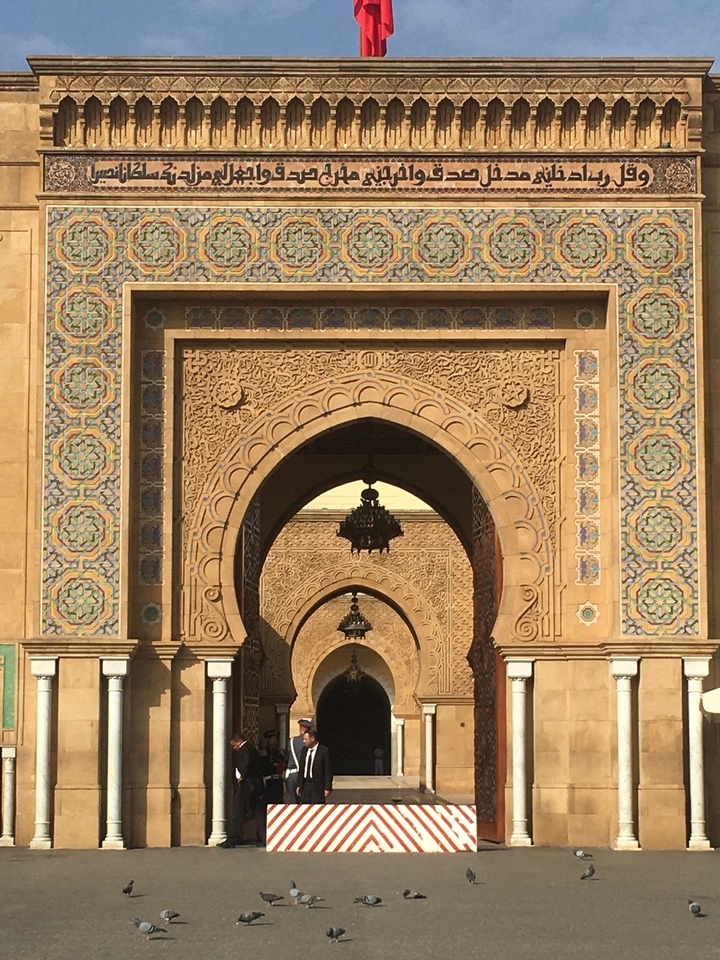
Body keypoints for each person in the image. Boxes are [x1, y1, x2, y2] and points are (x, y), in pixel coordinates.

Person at [218, 732, 266, 848]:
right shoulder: (252, 749)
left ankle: (233, 838)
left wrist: (241, 777)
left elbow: (245, 764)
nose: (234, 749)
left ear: (238, 742)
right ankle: (265, 837)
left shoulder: (244, 750)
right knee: (258, 812)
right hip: (256, 786)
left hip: (247, 786)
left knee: (238, 811)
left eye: (234, 745)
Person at [296, 727, 333, 804]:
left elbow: (327, 770)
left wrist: (327, 787)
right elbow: (301, 769)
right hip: (305, 785)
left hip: (317, 786)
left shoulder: (323, 750)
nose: (304, 741)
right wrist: (299, 784)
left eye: (306, 739)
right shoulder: (304, 750)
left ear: (312, 738)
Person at [285, 718, 313, 804]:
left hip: (292, 775)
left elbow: (287, 756)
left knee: (294, 802)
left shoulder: (292, 741)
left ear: (300, 728)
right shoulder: (310, 742)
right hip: (304, 776)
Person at [259, 729, 286, 805]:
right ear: (268, 740)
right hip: (268, 781)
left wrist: (279, 766)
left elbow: (284, 763)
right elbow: (267, 766)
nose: (275, 741)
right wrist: (276, 767)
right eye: (273, 738)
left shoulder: (280, 752)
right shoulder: (263, 752)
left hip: (278, 780)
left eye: (276, 738)